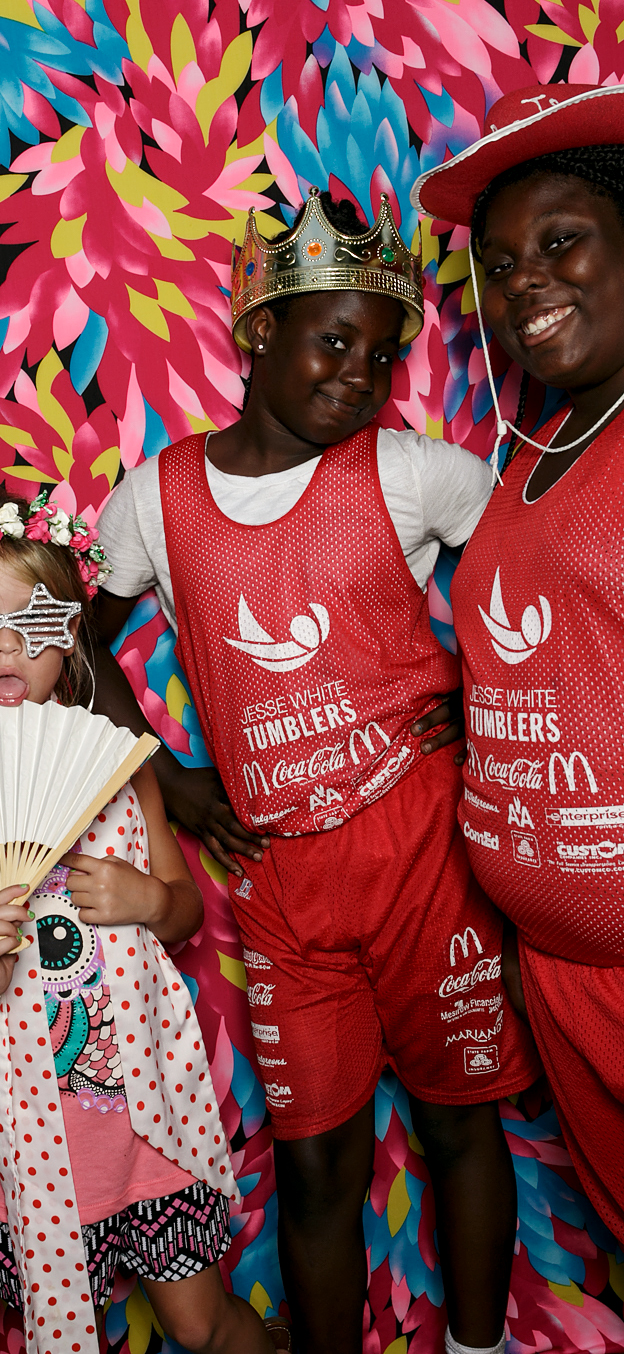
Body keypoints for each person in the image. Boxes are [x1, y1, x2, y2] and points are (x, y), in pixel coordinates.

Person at [92, 188, 540, 1354]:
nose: (359, 375)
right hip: (282, 884)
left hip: (424, 857)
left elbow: (543, 593)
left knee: (458, 1126)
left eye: (382, 355)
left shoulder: (416, 472)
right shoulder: (155, 497)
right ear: (259, 332)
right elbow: (79, 646)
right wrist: (163, 774)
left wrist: (482, 706)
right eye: (334, 342)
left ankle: (477, 1347)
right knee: (316, 1165)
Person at [0, 489, 271, 1354]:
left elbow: (184, 910)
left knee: (201, 1323)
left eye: (33, 621)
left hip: (150, 1114)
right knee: (63, 1337)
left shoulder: (119, 766)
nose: (6, 647)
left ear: (69, 635)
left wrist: (148, 901)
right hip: (28, 1139)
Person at [413, 82, 624, 1244]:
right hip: (557, 968)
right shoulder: (537, 441)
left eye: (560, 242)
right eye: (497, 266)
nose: (522, 283)